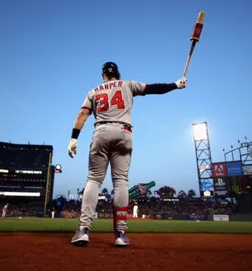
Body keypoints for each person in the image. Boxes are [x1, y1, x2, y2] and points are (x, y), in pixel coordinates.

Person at [68, 62, 186, 247]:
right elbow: (154, 88)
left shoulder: (94, 91)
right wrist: (175, 84)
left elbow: (82, 115)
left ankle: (83, 230)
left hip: (101, 131)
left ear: (103, 75)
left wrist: (73, 139)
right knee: (121, 181)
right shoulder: (127, 84)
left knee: (94, 180)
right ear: (117, 73)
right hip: (124, 132)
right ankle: (120, 234)